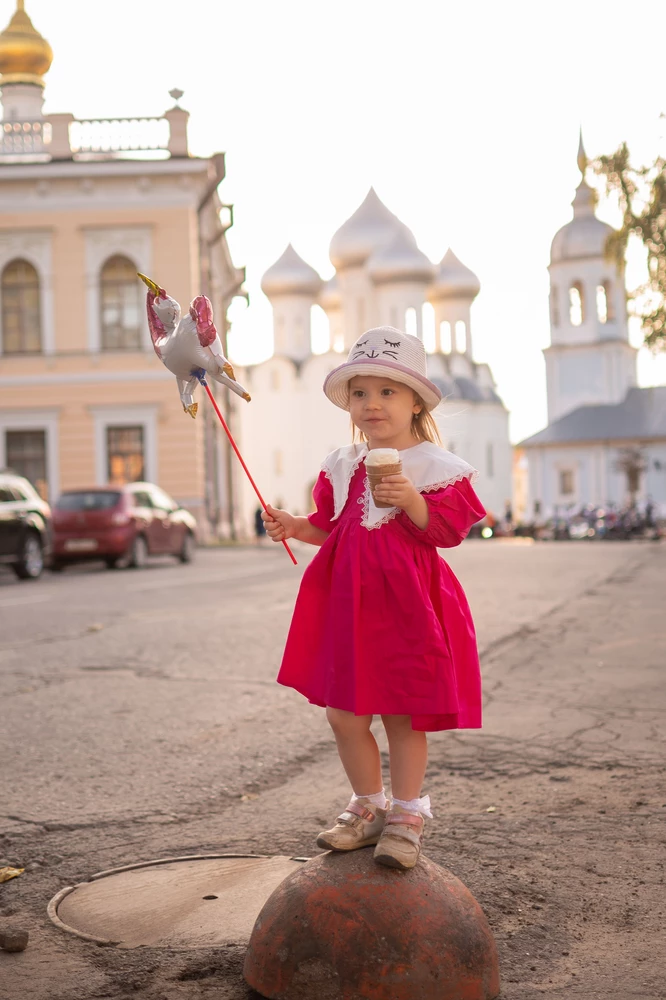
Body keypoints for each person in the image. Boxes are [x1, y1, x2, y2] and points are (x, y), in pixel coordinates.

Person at [262, 327, 485, 870]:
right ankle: (368, 806)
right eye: (360, 393)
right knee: (344, 714)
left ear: (415, 403)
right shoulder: (342, 464)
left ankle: (407, 815)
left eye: (387, 392)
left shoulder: (434, 467)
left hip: (408, 606)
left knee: (402, 714)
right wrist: (295, 526)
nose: (372, 404)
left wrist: (411, 499)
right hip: (349, 604)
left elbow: (446, 534)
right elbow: (331, 528)